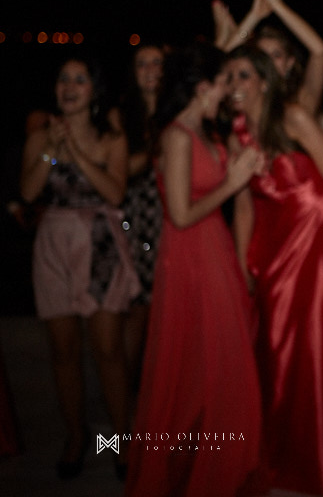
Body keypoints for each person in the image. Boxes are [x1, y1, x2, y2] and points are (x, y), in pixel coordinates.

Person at [226, 46, 323, 493]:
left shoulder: (292, 117)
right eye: (229, 76)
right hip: (272, 243)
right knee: (273, 344)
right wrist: (241, 264)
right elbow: (242, 206)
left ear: (261, 80)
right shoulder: (237, 134)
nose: (234, 85)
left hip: (316, 238)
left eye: (242, 75)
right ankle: (286, 444)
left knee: (312, 343)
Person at [125, 44, 264, 497]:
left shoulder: (209, 132)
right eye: (224, 81)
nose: (230, 90)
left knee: (224, 363)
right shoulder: (178, 136)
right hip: (188, 257)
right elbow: (180, 214)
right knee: (192, 369)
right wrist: (234, 181)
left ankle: (220, 468)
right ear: (203, 86)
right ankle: (185, 473)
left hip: (216, 251)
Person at [20, 57, 140, 479]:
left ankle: (122, 441)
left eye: (79, 79)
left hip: (100, 242)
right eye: (63, 78)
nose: (69, 86)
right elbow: (30, 190)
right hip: (54, 242)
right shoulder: (39, 137)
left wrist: (78, 154)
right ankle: (75, 436)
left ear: (94, 90)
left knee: (108, 351)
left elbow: (115, 192)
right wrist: (52, 152)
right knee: (63, 351)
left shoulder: (112, 138)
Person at [114, 43, 165, 392]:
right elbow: (122, 172)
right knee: (138, 307)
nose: (149, 69)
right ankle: (131, 391)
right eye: (141, 63)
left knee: (171, 305)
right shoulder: (121, 115)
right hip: (136, 214)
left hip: (173, 211)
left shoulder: (178, 109)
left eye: (156, 63)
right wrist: (153, 146)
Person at [213, 0, 323, 115]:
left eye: (277, 55)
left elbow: (319, 51)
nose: (268, 60)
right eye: (262, 54)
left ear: (289, 63)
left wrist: (277, 5)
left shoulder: (301, 101)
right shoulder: (243, 98)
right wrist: (254, 16)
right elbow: (219, 65)